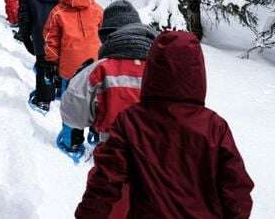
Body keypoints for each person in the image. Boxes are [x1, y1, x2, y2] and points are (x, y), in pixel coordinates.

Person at [75, 31, 254, 219]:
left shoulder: (131, 121)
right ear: (198, 71)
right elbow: (237, 191)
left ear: (151, 69)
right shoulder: (214, 126)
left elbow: (106, 180)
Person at [56, 1, 155, 164]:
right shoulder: (163, 66)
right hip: (159, 159)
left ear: (106, 36)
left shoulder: (100, 69)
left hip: (114, 157)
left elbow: (72, 115)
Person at [43, 0, 103, 97]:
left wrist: (52, 62)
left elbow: (50, 41)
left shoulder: (57, 12)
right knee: (91, 109)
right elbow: (105, 38)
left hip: (69, 70)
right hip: (94, 68)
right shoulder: (98, 10)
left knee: (69, 108)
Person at [18, 0, 63, 112]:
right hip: (59, 38)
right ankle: (58, 89)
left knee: (43, 67)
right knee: (58, 64)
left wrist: (26, 40)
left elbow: (24, 21)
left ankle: (43, 100)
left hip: (40, 39)